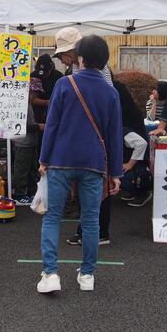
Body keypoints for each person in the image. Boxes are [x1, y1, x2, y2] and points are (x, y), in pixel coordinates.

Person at [38, 35, 123, 293]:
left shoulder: (64, 84)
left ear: (81, 58)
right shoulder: (111, 92)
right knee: (91, 220)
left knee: (52, 217)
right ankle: (87, 275)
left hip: (61, 159)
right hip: (93, 163)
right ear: (104, 61)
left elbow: (52, 125)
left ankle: (50, 274)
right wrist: (115, 173)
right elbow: (114, 136)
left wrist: (44, 159)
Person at [66, 78, 145, 246]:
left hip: (102, 160)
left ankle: (100, 234)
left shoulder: (111, 98)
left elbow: (133, 143)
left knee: (100, 197)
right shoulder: (103, 91)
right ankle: (85, 231)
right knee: (87, 197)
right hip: (91, 157)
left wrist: (121, 169)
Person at [30, 54, 63, 123]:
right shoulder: (33, 76)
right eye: (40, 71)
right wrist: (48, 102)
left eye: (46, 72)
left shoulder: (58, 76)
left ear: (51, 67)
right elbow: (32, 99)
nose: (43, 74)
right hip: (37, 113)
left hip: (55, 112)